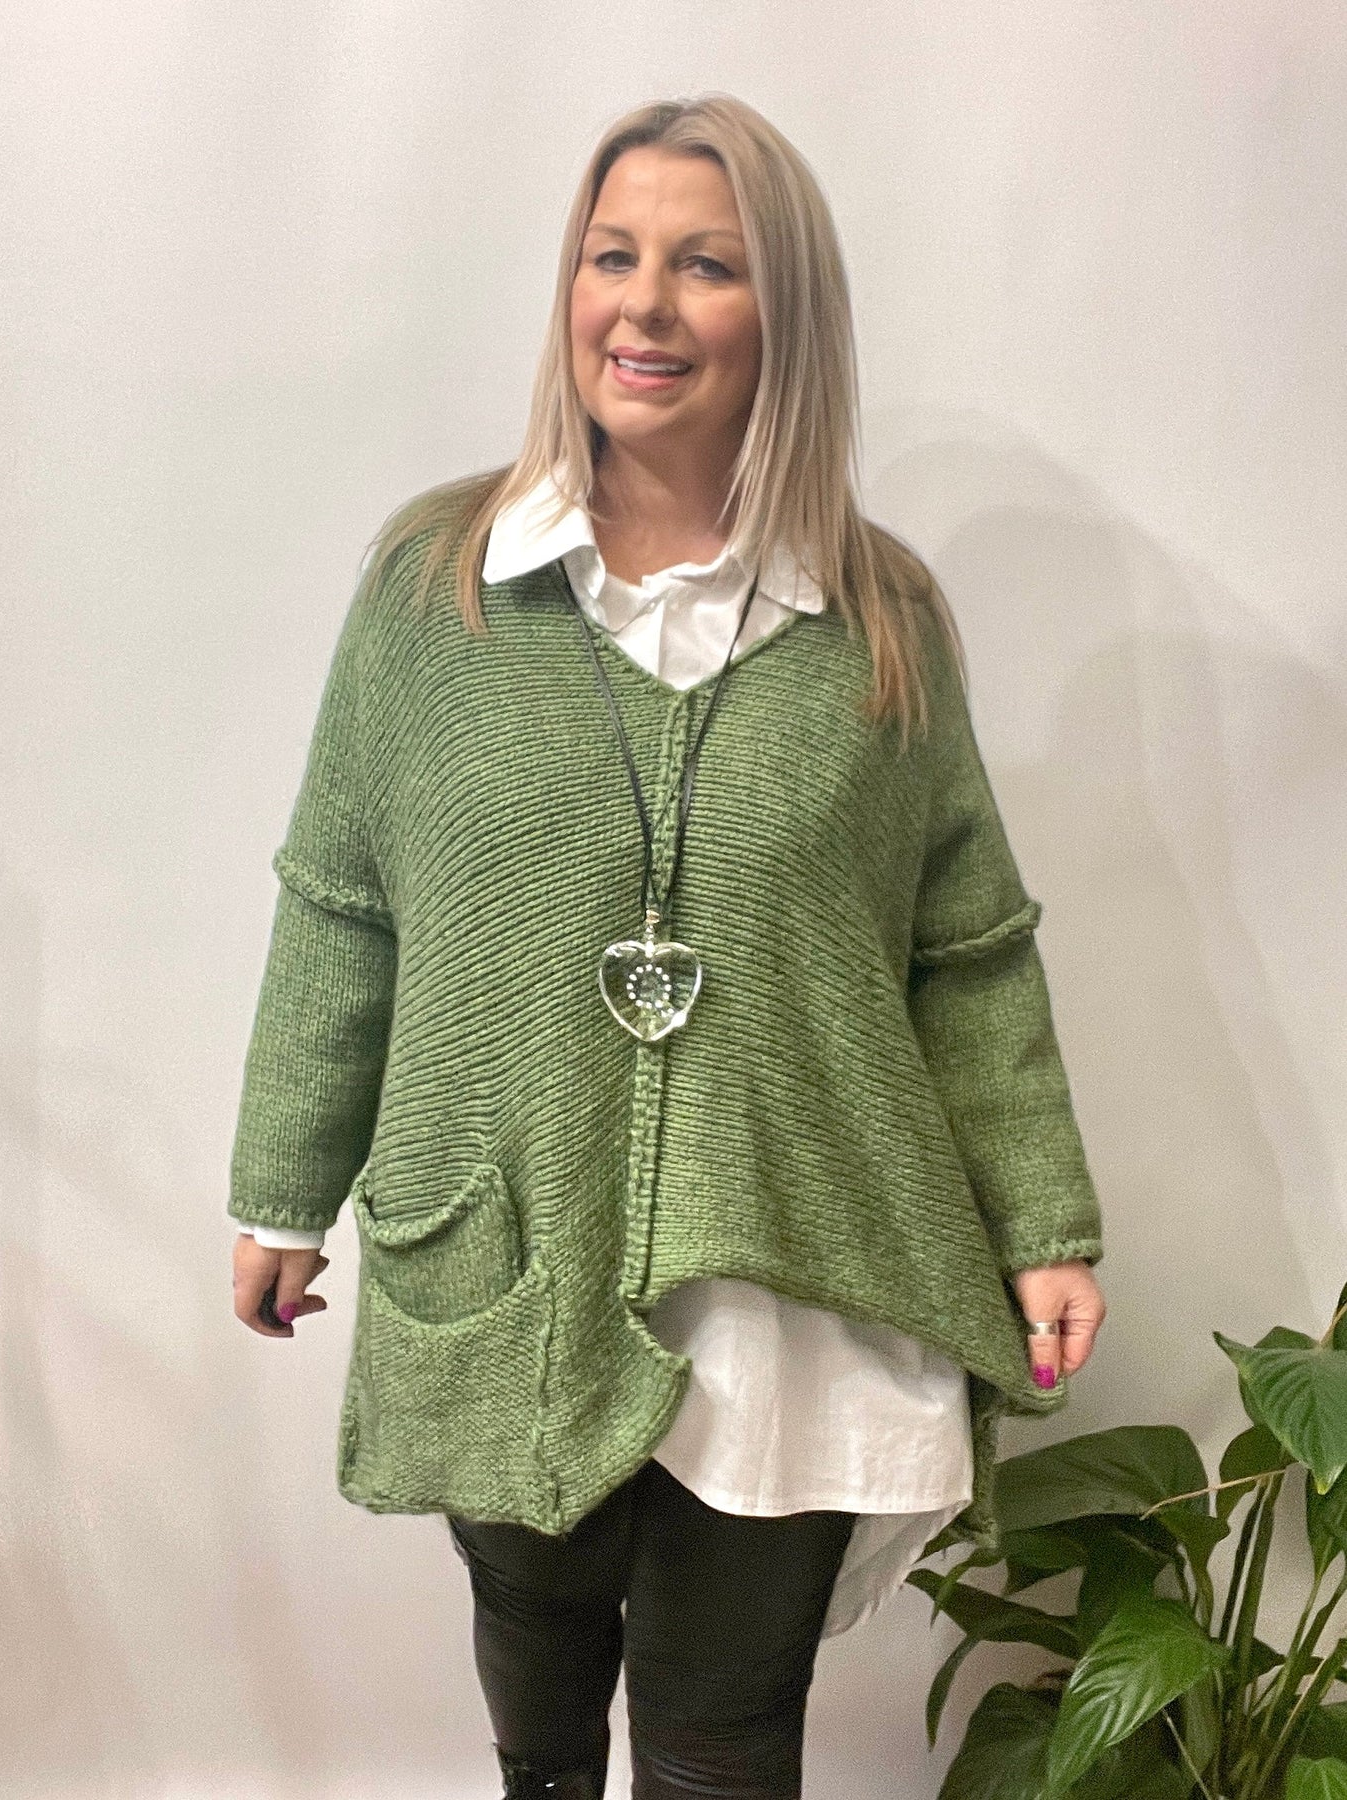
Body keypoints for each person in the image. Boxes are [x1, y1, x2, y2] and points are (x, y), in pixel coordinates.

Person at [229, 93, 1106, 1800]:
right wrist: (282, 1189)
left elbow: (964, 952)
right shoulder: (435, 586)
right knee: (539, 1692)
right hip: (507, 1243)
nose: (642, 304)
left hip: (801, 1276)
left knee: (721, 1739)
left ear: (785, 312)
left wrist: (1041, 1224)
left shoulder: (879, 619)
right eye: (608, 255)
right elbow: (342, 903)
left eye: (704, 265)